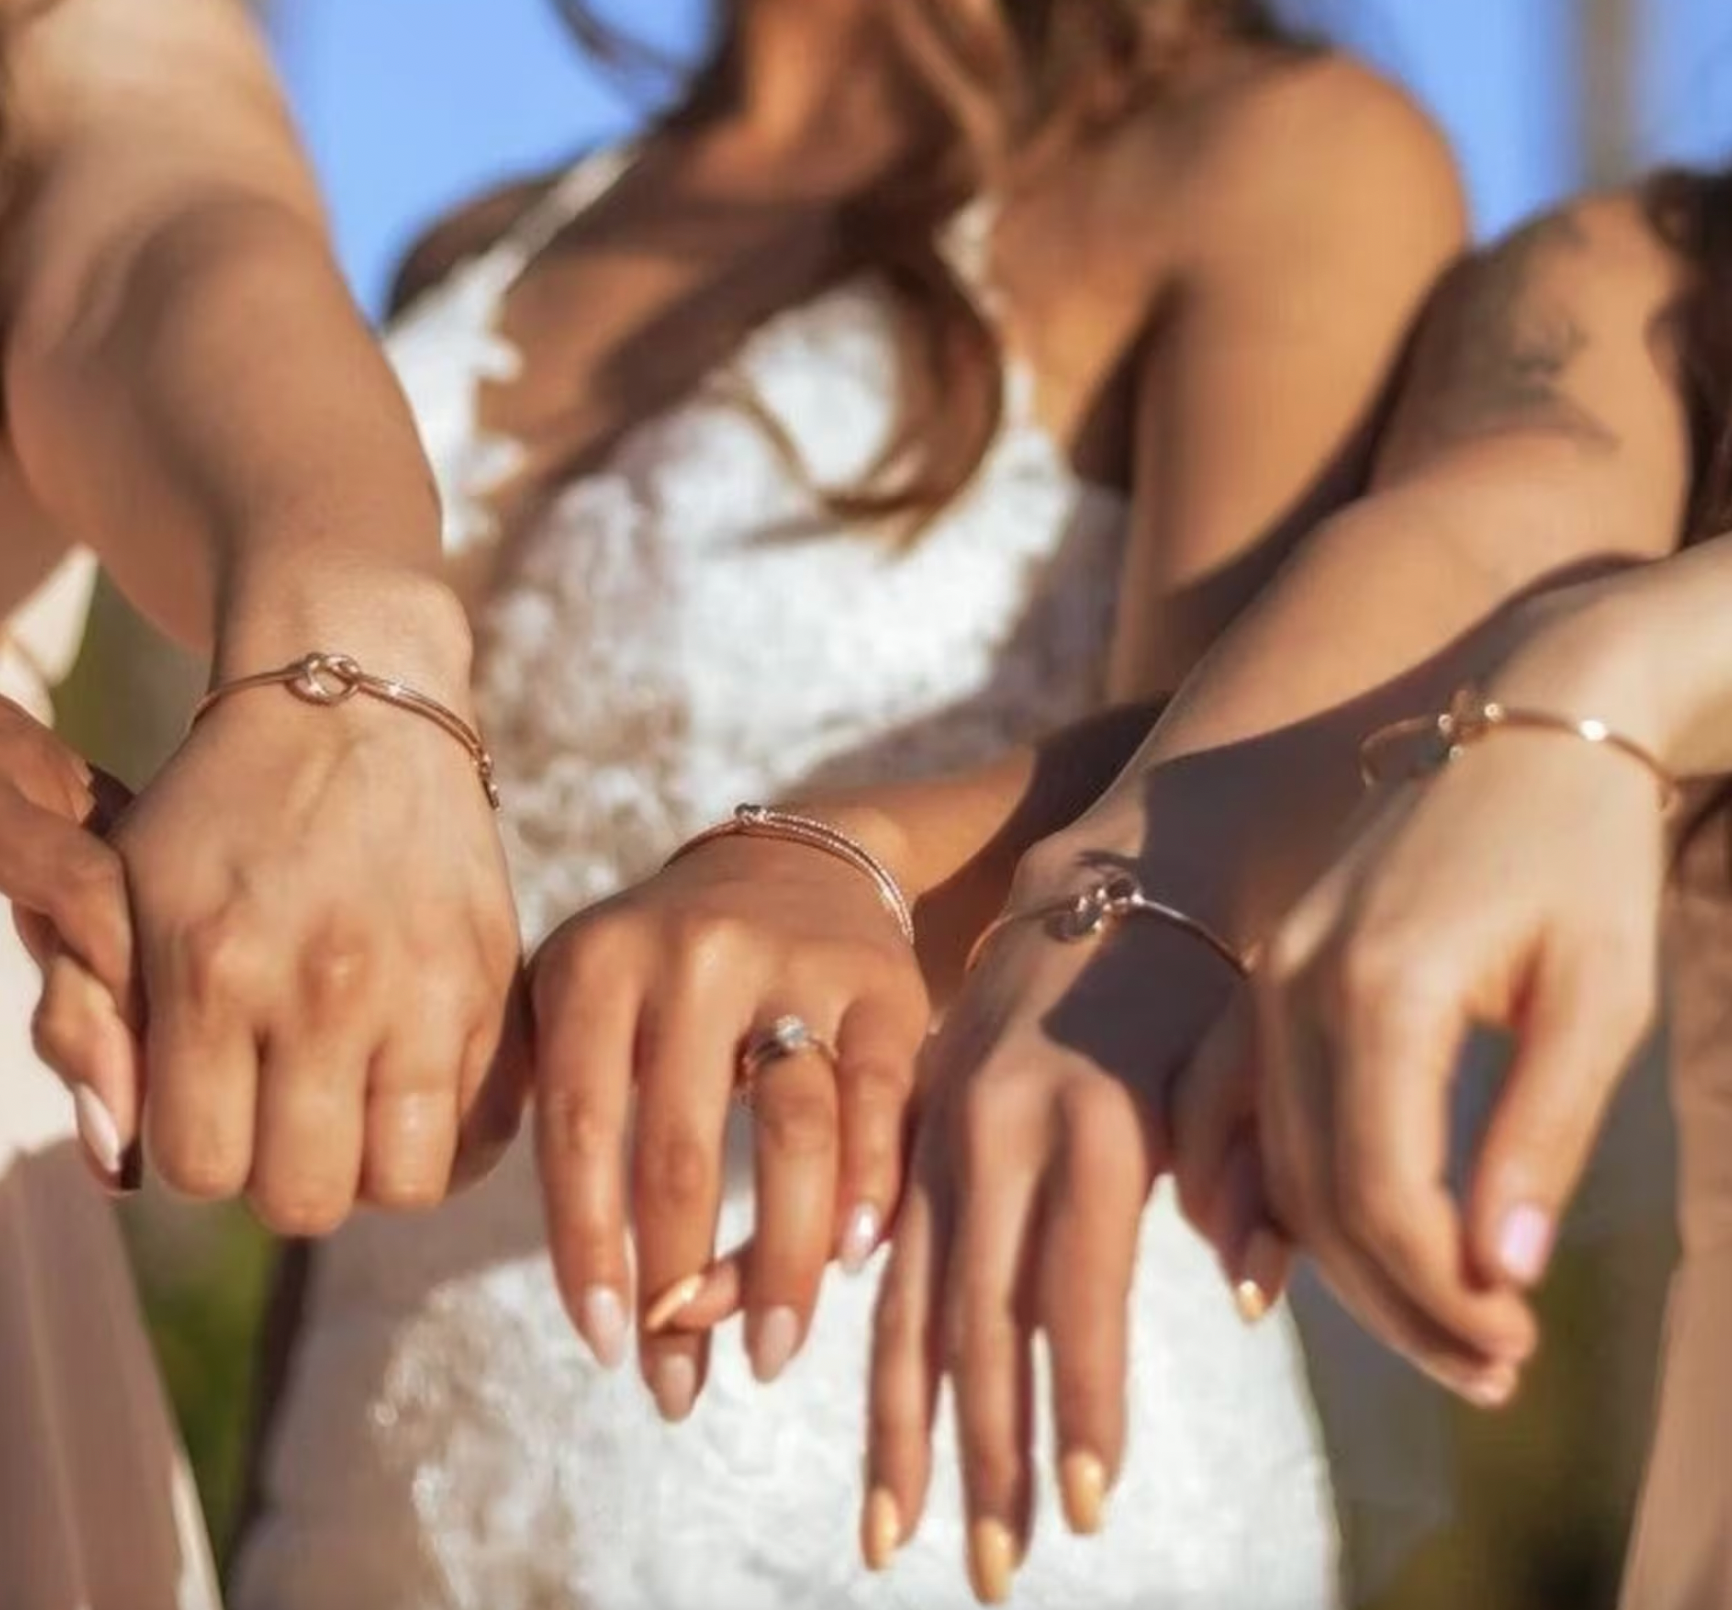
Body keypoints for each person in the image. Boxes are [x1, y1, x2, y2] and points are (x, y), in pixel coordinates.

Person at [216, 2, 1467, 1606]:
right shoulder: (480, 247)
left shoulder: (1271, 150)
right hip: (375, 1475)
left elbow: (1275, 742)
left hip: (903, 1475)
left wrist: (850, 871)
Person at [864, 163, 1728, 1603]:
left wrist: (1613, 670)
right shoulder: (1659, 263)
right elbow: (1491, 526)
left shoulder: (1613, 656)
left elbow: (1562, 623)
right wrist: (1139, 881)